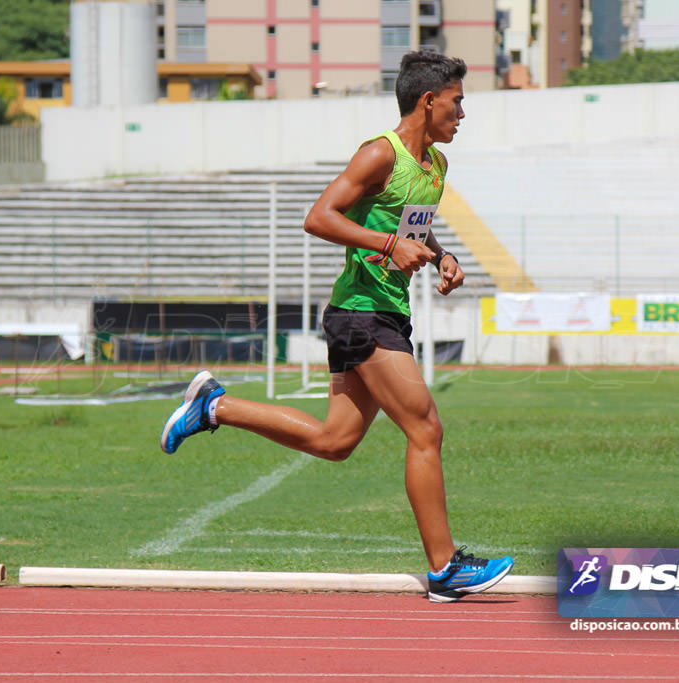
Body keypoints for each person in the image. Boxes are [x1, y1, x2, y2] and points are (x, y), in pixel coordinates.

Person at [161, 50, 513, 603]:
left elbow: (407, 228)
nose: (462, 114)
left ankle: (215, 406)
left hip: (388, 313)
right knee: (425, 428)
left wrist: (440, 254)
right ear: (429, 101)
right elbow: (319, 216)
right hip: (359, 314)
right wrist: (389, 245)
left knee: (335, 441)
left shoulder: (435, 168)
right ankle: (444, 569)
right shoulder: (380, 154)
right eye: (457, 101)